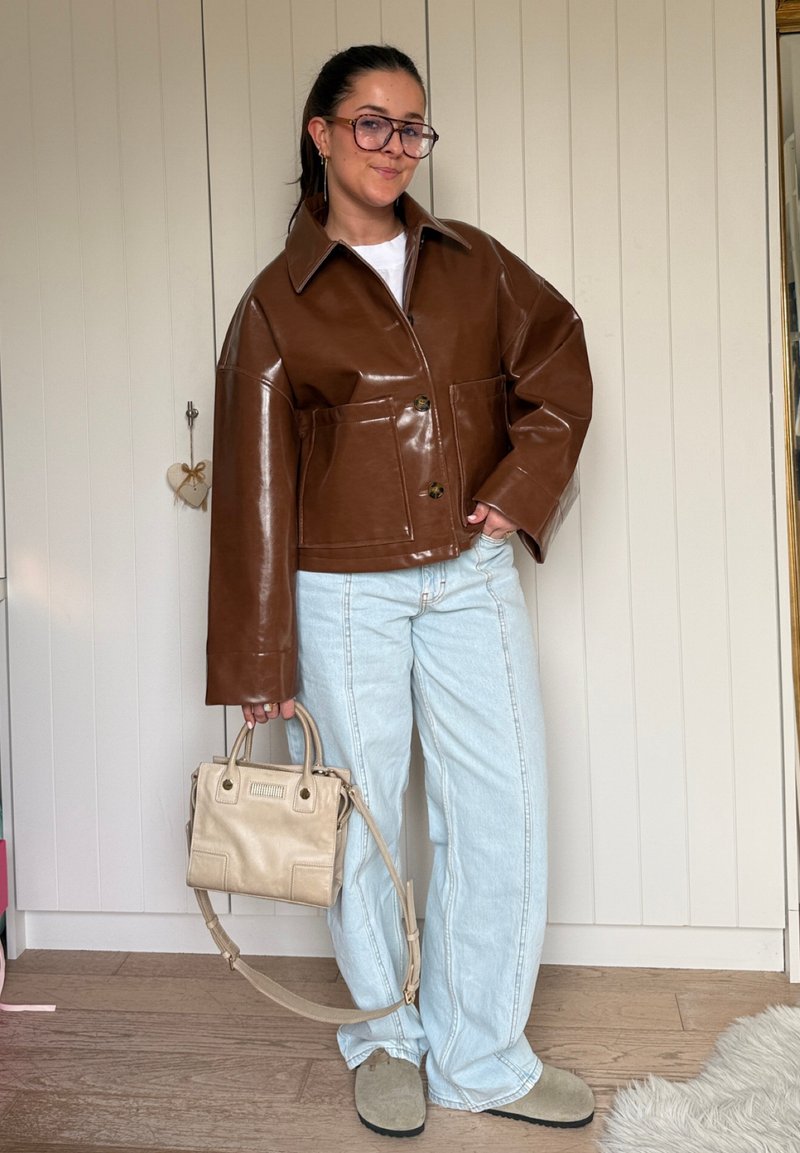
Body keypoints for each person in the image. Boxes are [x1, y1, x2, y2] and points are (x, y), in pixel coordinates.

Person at [206, 43, 593, 1139]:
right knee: (360, 819)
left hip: (468, 578)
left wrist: (515, 496)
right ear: (320, 134)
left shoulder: (475, 265)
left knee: (500, 810)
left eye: (411, 126)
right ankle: (384, 1035)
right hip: (338, 596)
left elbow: (557, 365)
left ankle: (481, 1053)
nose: (394, 144)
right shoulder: (274, 307)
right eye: (370, 121)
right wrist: (258, 666)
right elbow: (253, 497)